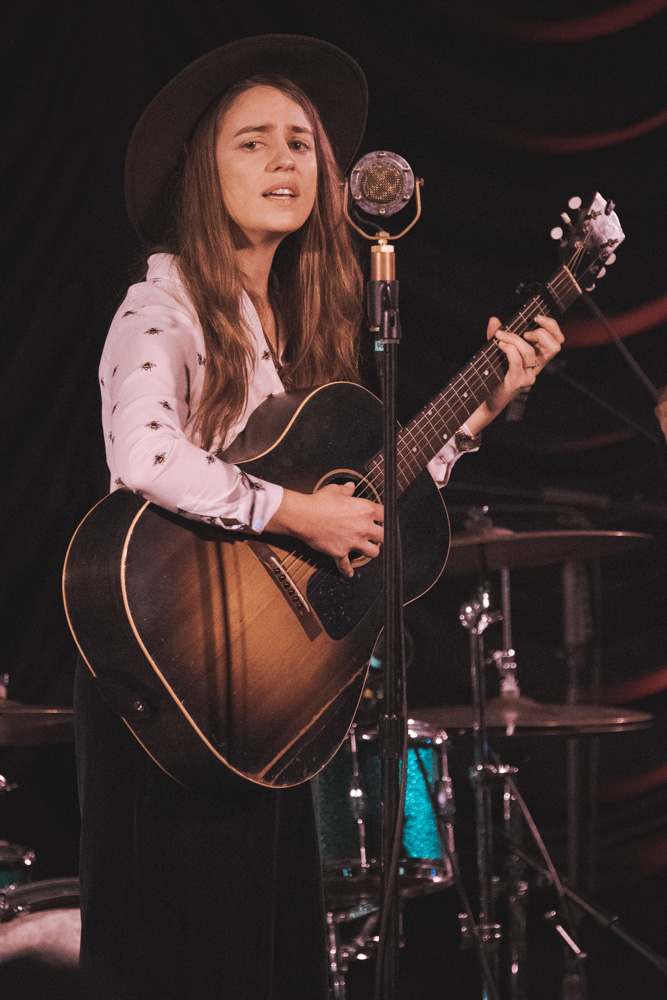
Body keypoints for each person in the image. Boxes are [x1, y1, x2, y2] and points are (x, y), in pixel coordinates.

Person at [73, 34, 563, 1000]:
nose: (284, 161)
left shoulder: (288, 328)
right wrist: (295, 513)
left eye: (299, 143)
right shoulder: (161, 304)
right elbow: (144, 456)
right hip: (174, 682)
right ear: (203, 173)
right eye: (252, 142)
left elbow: (362, 505)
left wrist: (473, 418)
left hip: (265, 692)